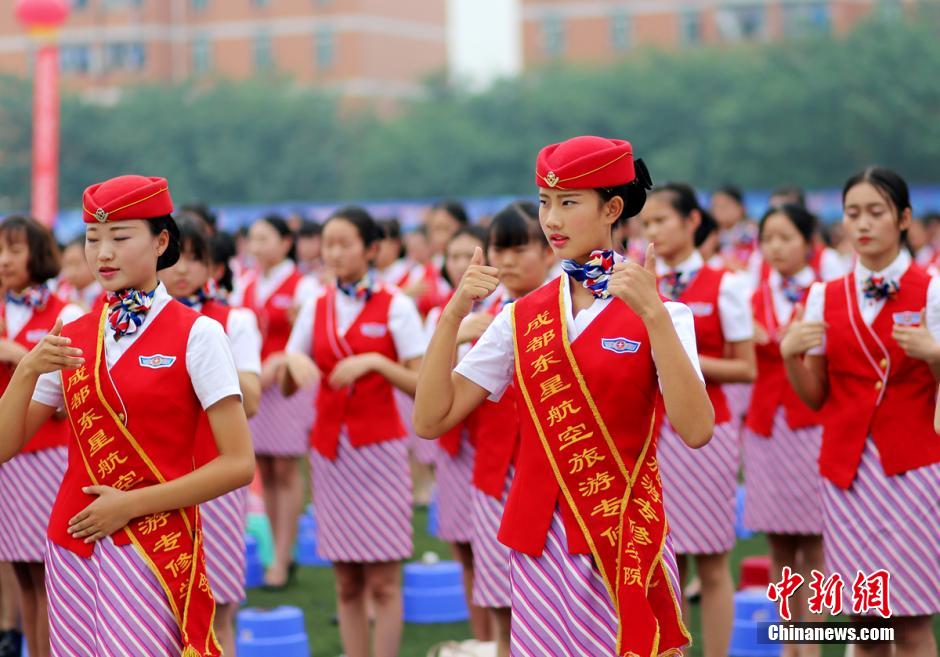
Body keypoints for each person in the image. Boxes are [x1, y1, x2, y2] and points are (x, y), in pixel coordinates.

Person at [414, 136, 713, 657]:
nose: (551, 219)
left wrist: (654, 317)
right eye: (544, 202)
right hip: (542, 541)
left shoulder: (663, 313)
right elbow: (431, 419)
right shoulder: (521, 316)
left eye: (569, 202)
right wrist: (453, 314)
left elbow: (697, 430)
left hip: (623, 532)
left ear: (612, 209)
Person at [0, 174, 254, 656]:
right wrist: (28, 369)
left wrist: (131, 505)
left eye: (119, 237)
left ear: (161, 242)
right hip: (73, 543)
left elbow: (239, 463)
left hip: (152, 544)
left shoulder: (198, 334)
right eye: (93, 239)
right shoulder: (72, 333)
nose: (103, 254)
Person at [782, 167, 939, 657]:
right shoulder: (823, 295)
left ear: (905, 219)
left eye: (876, 212)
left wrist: (936, 355)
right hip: (846, 472)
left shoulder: (933, 290)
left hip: (914, 468)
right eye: (853, 213)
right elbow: (815, 396)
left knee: (910, 623)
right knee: (865, 625)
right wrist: (790, 356)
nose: (863, 224)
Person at [282, 206, 426, 657]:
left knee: (383, 580)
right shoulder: (316, 305)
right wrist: (291, 363)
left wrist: (376, 363)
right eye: (329, 244)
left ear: (372, 249)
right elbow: (288, 383)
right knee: (345, 580)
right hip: (331, 453)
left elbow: (422, 382)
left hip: (380, 450)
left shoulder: (396, 304)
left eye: (345, 243)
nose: (334, 253)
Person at [640, 182, 756, 657]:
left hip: (707, 434)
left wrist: (679, 360)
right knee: (663, 565)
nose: (652, 230)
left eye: (661, 220)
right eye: (645, 223)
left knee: (711, 561)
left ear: (692, 221)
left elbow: (746, 368)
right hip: (649, 433)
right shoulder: (635, 283)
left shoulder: (726, 284)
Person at [160, 217, 262, 656]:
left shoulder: (232, 320)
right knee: (157, 607)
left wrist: (203, 359)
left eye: (195, 259)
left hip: (217, 477)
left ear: (213, 268)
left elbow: (251, 399)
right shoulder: (130, 322)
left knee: (217, 605)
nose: (183, 269)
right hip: (155, 476)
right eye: (174, 258)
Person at [468, 200, 555, 657]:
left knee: (560, 604)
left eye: (519, 249)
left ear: (548, 251)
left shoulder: (569, 308)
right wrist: (458, 330)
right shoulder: (478, 315)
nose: (506, 261)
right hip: (495, 468)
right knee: (503, 604)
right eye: (498, 249)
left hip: (557, 469)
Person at [744, 204, 827, 657]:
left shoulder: (825, 295)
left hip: (811, 426)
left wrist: (774, 340)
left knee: (814, 546)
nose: (775, 247)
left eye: (786, 237)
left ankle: (810, 644)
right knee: (778, 547)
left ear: (808, 243)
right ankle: (787, 642)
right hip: (764, 430)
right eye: (768, 238)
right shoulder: (750, 296)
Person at [0, 216, 83, 657]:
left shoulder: (66, 312)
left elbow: (72, 395)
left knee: (45, 573)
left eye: (14, 250)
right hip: (5, 460)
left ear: (38, 254)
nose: (4, 260)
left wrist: (19, 356)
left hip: (45, 457)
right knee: (21, 572)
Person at [232, 214, 319, 589]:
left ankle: (284, 555)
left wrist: (279, 362)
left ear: (286, 243)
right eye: (253, 239)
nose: (256, 246)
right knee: (264, 469)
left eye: (264, 238)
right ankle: (275, 553)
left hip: (286, 384)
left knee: (285, 468)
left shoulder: (304, 285)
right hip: (255, 384)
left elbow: (308, 338)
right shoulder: (246, 283)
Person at [425, 225, 491, 642]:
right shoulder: (442, 315)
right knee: (463, 548)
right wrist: (456, 331)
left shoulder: (506, 309)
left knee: (493, 551)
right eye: (453, 257)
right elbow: (427, 382)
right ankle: (481, 640)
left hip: (492, 440)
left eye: (471, 255)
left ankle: (500, 641)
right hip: (454, 442)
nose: (462, 265)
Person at [56, 236, 102, 311]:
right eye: (66, 264)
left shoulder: (105, 293)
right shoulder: (62, 292)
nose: (71, 271)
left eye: (76, 263)